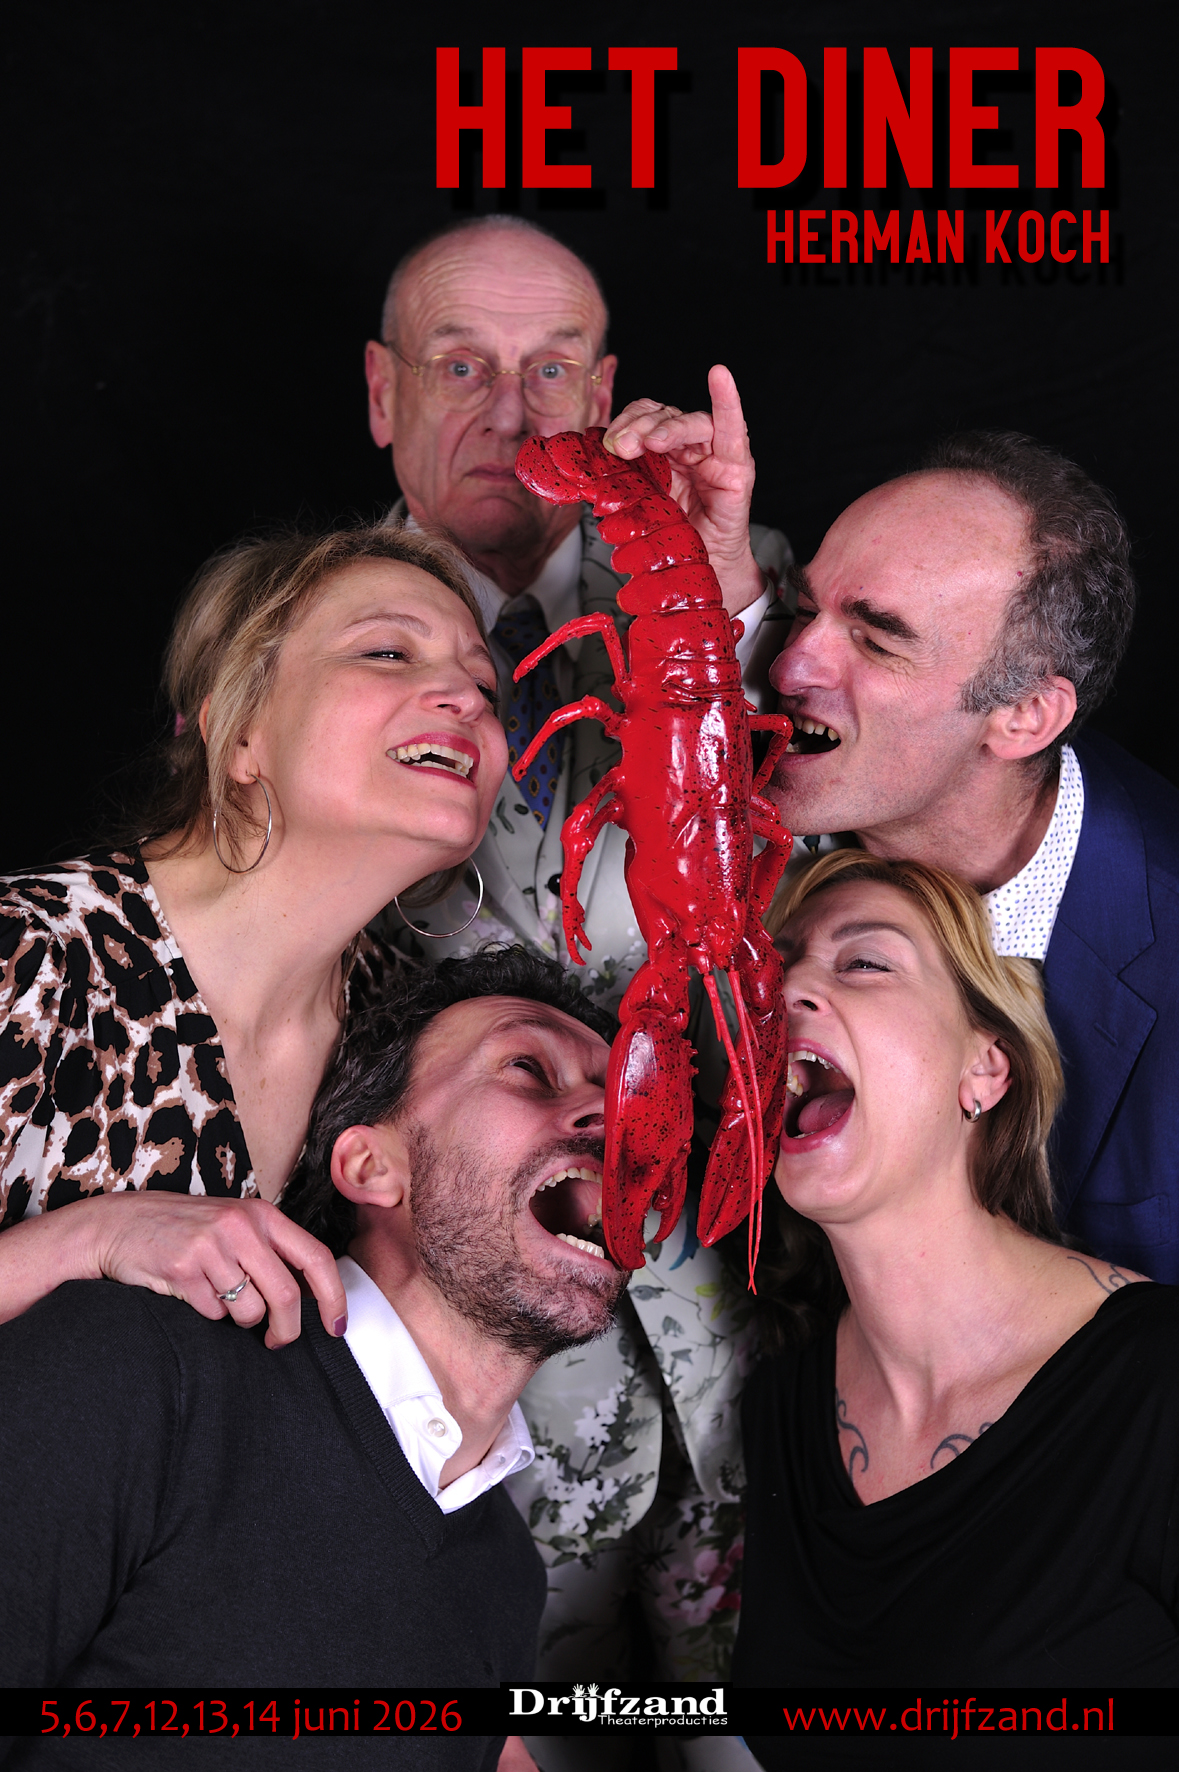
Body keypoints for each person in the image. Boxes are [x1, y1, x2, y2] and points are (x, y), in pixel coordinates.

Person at [364, 210, 790, 1717]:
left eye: (553, 369)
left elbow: (851, 868)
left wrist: (725, 591)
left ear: (606, 394)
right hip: (485, 1412)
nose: (512, 411)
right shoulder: (303, 632)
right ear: (381, 395)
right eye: (459, 365)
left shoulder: (762, 591)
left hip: (744, 1354)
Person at [0, 948, 629, 1772]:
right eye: (527, 1069)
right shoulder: (146, 1372)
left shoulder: (508, 1576)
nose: (610, 1115)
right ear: (371, 1166)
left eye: (629, 1101)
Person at [0, 523, 506, 1342]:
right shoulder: (29, 958)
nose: (467, 697)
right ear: (240, 733)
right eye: (387, 653)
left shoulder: (408, 1034)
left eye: (485, 683)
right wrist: (88, 1241)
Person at [734, 852, 1178, 1765]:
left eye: (863, 962)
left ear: (985, 1068)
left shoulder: (1160, 1387)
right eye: (773, 969)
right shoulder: (780, 1402)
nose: (783, 993)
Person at [763, 431, 1179, 1283]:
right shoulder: (783, 808)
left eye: (875, 641)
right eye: (803, 612)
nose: (790, 664)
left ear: (1023, 716)